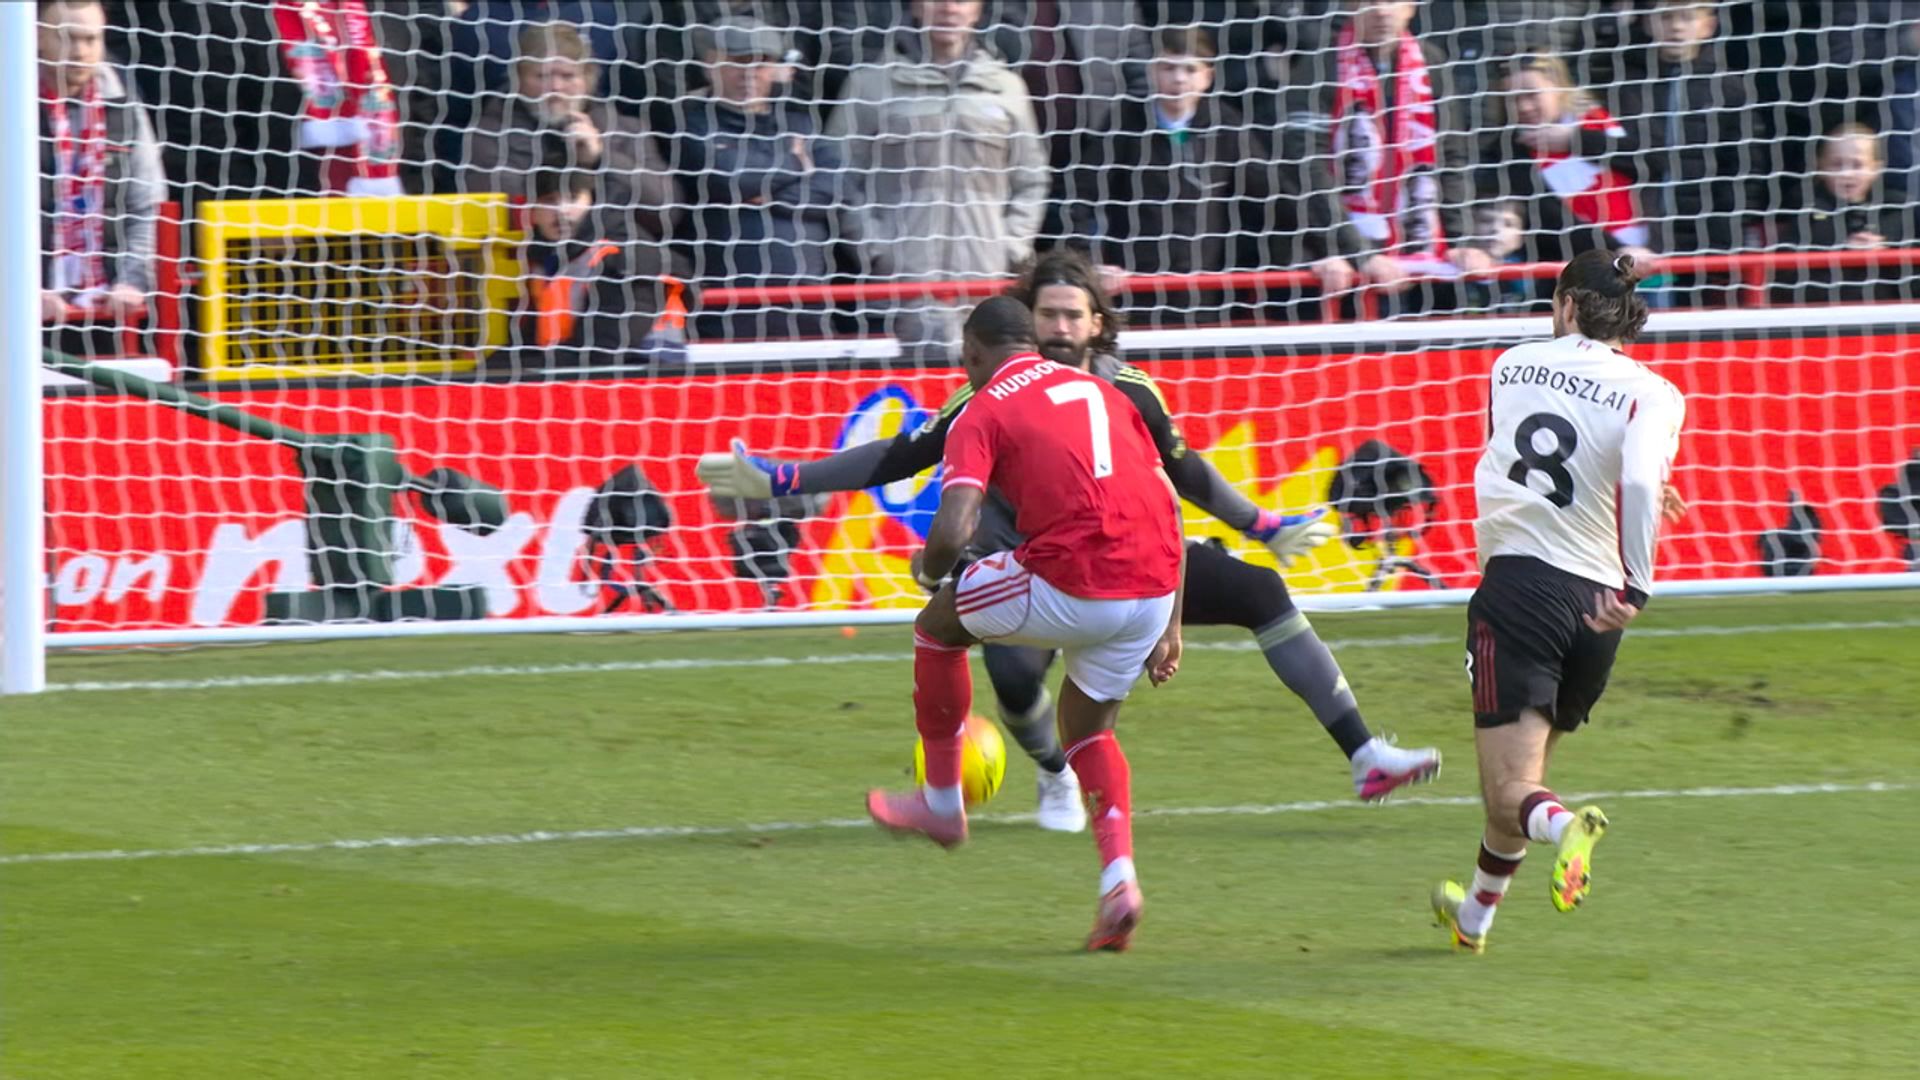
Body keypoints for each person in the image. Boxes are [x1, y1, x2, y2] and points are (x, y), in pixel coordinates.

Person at [697, 249, 1443, 830]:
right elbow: (901, 454)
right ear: (1027, 323)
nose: (1059, 327)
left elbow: (1182, 477)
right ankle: (1055, 772)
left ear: (1096, 324)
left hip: (1125, 559)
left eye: (1072, 315)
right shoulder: (986, 396)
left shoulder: (1130, 389)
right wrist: (785, 478)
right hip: (1031, 566)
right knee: (1014, 675)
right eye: (1046, 314)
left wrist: (1263, 527)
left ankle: (1365, 753)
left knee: (1261, 592)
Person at [863, 296, 1185, 952]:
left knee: (937, 627)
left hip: (1078, 576)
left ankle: (942, 802)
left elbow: (954, 528)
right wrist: (1172, 624)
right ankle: (1119, 882)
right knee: (1087, 730)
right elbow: (1171, 501)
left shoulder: (982, 409)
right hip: (1156, 584)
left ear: (973, 354)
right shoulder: (1103, 391)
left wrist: (931, 569)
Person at [1431, 250, 1688, 954]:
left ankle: (1568, 827)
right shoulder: (1657, 393)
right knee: (1521, 785)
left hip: (1521, 590)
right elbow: (1637, 480)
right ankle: (1473, 919)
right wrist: (1637, 584)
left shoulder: (1511, 364)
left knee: (1511, 789)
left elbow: (1539, 457)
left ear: (1568, 305)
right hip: (1598, 608)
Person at [824, 0, 1047, 354]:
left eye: (961, 0)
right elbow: (839, 177)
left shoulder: (1007, 88)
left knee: (985, 379)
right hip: (898, 290)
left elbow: (1031, 179)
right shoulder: (869, 85)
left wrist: (1010, 247)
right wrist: (876, 250)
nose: (948, 8)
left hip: (985, 285)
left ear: (977, 10)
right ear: (914, 7)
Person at [1064, 25, 1282, 325]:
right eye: (1168, 67)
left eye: (1190, 69)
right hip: (1132, 294)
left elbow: (1276, 195)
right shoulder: (1125, 120)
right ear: (1153, 71)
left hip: (1203, 297)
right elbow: (1078, 197)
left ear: (1207, 77)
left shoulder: (1226, 126)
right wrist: (1090, 265)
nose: (1178, 79)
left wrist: (1329, 251)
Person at [1278, 0, 1490, 300]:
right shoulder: (1319, 65)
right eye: (1370, 2)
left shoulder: (1431, 62)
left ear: (1411, 7)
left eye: (1391, 1)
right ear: (1351, 6)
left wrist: (1460, 240)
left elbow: (1452, 156)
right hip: (1338, 255)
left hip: (1420, 246)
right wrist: (1359, 252)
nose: (1381, 11)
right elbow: (1307, 168)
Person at [670, 17, 862, 341]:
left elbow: (839, 187)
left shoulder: (801, 123)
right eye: (738, 61)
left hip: (805, 309)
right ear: (710, 64)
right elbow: (729, 177)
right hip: (724, 311)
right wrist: (796, 162)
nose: (749, 73)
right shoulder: (691, 125)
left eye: (761, 62)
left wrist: (769, 196)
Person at [462, 20, 675, 245]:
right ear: (519, 80)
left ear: (587, 79)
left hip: (623, 256)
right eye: (542, 76)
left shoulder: (627, 130)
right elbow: (501, 214)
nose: (555, 87)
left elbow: (668, 213)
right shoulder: (488, 135)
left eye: (567, 76)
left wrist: (601, 159)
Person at [37, 0, 165, 358]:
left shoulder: (122, 99)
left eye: (91, 39)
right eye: (68, 38)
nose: (80, 52)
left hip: (109, 306)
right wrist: (19, 289)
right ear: (37, 38)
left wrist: (132, 281)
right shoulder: (11, 101)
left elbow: (148, 205)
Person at [493, 157, 689, 372]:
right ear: (532, 212)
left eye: (573, 198)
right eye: (549, 200)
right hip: (573, 374)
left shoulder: (626, 256)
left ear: (592, 200)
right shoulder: (546, 261)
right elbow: (530, 344)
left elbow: (602, 352)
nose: (562, 211)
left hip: (648, 377)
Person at [1478, 55, 1654, 267]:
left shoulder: (1603, 117)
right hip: (1578, 268)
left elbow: (1650, 163)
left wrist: (1575, 140)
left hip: (1650, 249)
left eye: (1532, 94)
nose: (1523, 106)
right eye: (1513, 99)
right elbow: (1549, 217)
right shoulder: (1507, 152)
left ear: (1559, 86)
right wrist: (1615, 250)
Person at [1772, 123, 1911, 305]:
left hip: (1894, 316)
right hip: (1831, 314)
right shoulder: (1806, 215)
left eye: (1857, 165)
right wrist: (1844, 256)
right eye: (1837, 165)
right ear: (1821, 168)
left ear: (1876, 169)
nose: (1847, 174)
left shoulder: (1898, 211)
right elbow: (1784, 284)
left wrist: (1888, 254)